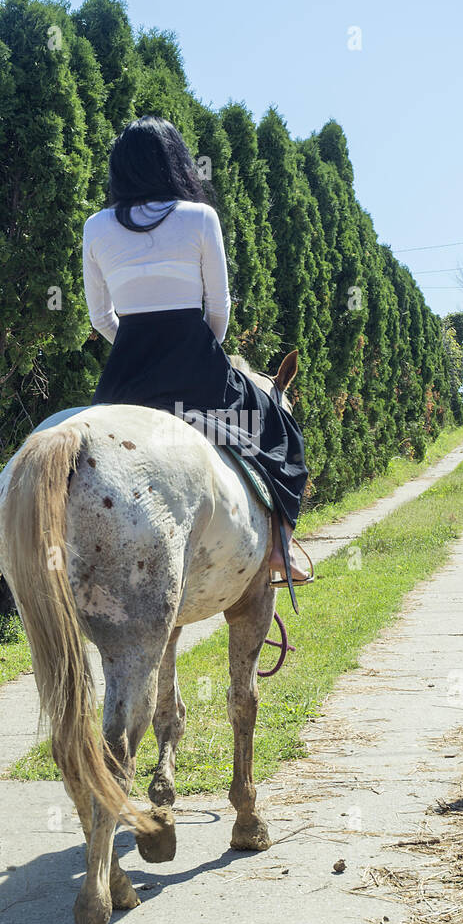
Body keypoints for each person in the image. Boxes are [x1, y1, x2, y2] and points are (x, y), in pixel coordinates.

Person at [82, 115, 311, 594]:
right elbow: (220, 311)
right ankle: (279, 551)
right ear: (175, 163)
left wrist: (137, 345)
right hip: (198, 371)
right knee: (282, 431)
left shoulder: (96, 227)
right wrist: (196, 352)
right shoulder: (200, 217)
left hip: (125, 379)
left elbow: (101, 319)